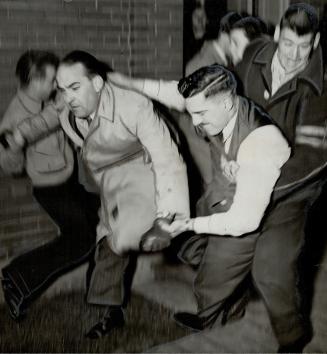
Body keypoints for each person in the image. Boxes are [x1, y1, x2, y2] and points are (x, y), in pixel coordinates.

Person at [110, 63, 292, 350]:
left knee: (209, 284)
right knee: (186, 244)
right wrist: (126, 81)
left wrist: (190, 223)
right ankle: (234, 298)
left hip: (250, 219)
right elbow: (171, 92)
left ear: (227, 102)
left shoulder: (261, 142)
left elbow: (244, 220)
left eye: (201, 114)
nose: (194, 122)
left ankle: (214, 329)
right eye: (192, 111)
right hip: (220, 197)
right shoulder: (212, 102)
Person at [10, 50, 190, 339]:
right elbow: (46, 119)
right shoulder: (68, 104)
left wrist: (170, 215)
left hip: (145, 167)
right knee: (107, 241)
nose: (66, 96)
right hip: (110, 177)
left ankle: (218, 270)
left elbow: (167, 157)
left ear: (96, 84)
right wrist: (19, 135)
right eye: (61, 88)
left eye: (74, 88)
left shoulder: (133, 105)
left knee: (152, 234)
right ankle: (111, 314)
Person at [233, 3, 326, 351]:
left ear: (315, 44)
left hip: (291, 190)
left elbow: (310, 158)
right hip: (245, 174)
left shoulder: (321, 87)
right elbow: (232, 103)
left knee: (270, 266)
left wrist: (259, 186)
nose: (294, 56)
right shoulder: (253, 57)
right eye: (288, 44)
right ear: (276, 35)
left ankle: (293, 334)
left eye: (304, 47)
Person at [0, 50, 100, 321]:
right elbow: (11, 167)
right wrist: (10, 148)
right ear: (33, 80)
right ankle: (17, 276)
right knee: (81, 239)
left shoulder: (54, 99)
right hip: (49, 188)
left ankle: (100, 293)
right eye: (51, 80)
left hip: (72, 178)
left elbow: (61, 116)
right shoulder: (14, 115)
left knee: (99, 228)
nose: (57, 85)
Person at [185, 11, 242, 76]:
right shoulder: (202, 66)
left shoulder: (223, 60)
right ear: (223, 35)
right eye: (236, 42)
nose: (240, 52)